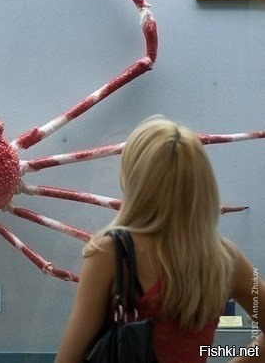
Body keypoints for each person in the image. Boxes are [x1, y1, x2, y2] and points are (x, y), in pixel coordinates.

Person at [54, 116, 264, 363]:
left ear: (133, 179)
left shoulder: (111, 251)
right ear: (201, 181)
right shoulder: (227, 257)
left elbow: (68, 359)